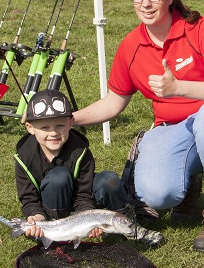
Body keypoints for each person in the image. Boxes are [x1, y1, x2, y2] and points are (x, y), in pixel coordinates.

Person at [72, 0, 204, 253]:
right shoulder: (130, 46)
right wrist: (69, 120)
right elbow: (114, 101)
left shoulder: (198, 29)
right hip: (176, 131)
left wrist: (179, 88)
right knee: (155, 194)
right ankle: (188, 184)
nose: (145, 3)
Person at [14, 89, 164, 247]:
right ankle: (54, 233)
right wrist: (36, 216)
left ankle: (130, 228)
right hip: (52, 210)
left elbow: (84, 195)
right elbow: (28, 198)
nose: (53, 133)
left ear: (71, 123)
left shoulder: (81, 151)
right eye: (45, 127)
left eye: (60, 125)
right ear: (30, 128)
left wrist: (91, 223)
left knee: (109, 180)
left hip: (80, 207)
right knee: (59, 177)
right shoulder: (24, 157)